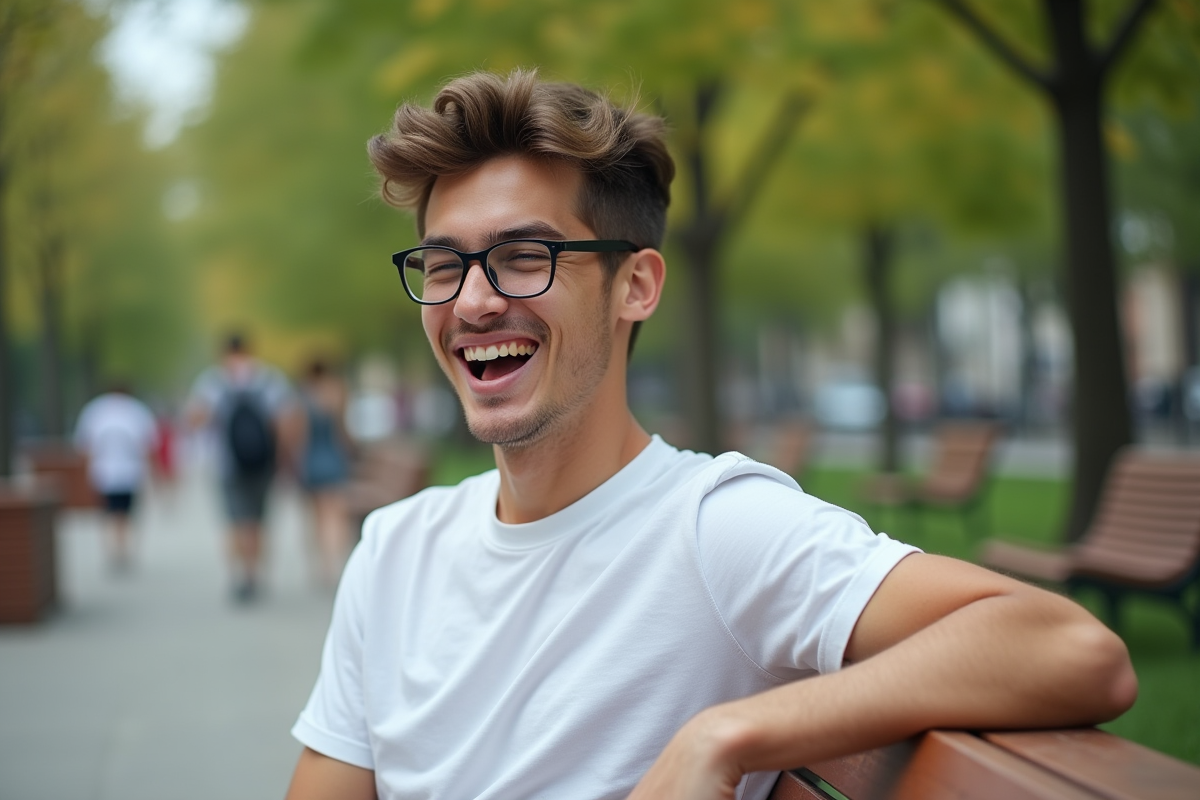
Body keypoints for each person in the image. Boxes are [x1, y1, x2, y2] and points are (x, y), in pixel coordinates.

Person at [286, 70, 1137, 800]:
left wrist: (728, 735)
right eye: (444, 265)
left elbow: (1072, 649)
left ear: (636, 287)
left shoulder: (711, 529)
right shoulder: (395, 550)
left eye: (524, 256)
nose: (473, 302)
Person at [187, 332, 291, 603]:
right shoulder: (268, 379)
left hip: (227, 464)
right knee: (259, 520)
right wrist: (281, 456)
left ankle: (239, 575)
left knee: (234, 520)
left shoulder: (214, 381)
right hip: (263, 463)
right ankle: (255, 573)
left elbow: (195, 419)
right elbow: (285, 421)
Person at [73, 382, 159, 572]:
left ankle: (113, 550)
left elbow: (85, 445)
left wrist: (87, 473)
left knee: (109, 513)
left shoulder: (95, 410)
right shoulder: (136, 410)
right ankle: (122, 550)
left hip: (104, 472)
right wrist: (154, 475)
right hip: (130, 472)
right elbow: (148, 445)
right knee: (125, 514)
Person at [288, 357, 354, 587]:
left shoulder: (302, 397)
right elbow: (343, 431)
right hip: (334, 458)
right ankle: (334, 562)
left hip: (312, 459)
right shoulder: (338, 393)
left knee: (316, 515)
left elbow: (300, 435)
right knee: (335, 513)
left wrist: (296, 462)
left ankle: (322, 566)